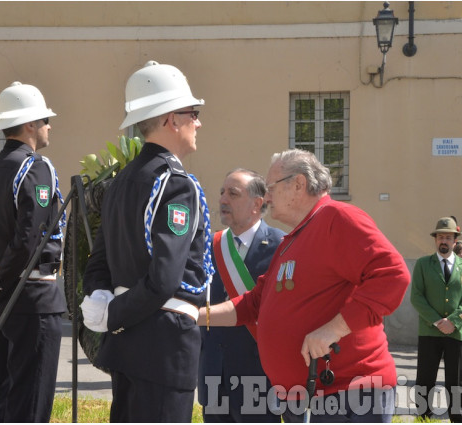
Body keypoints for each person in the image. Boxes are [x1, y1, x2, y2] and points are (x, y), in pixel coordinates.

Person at [198, 149, 410, 423]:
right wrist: (196, 316)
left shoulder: (337, 217)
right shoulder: (293, 239)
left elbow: (393, 275)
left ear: (298, 184)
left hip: (349, 394)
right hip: (315, 397)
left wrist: (333, 330)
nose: (268, 197)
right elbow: (253, 304)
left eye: (271, 188)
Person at [80, 61, 213, 423]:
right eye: (193, 113)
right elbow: (165, 278)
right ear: (171, 119)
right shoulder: (176, 183)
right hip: (165, 341)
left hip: (129, 343)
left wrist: (101, 301)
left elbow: (98, 263)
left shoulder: (122, 180)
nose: (198, 122)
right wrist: (113, 316)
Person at [0, 82, 66, 422]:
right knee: (29, 403)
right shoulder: (37, 167)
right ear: (31, 124)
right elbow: (29, 241)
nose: (50, 126)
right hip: (31, 296)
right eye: (46, 119)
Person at [198, 168, 285, 422]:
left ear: (256, 204)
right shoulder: (209, 246)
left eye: (233, 194)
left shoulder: (281, 246)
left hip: (259, 376)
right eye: (222, 192)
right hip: (214, 373)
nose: (223, 199)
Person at [410, 217, 462, 423]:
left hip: (457, 332)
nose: (444, 241)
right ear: (435, 239)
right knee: (425, 377)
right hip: (430, 331)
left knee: (456, 378)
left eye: (448, 237)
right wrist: (438, 321)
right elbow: (417, 297)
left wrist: (454, 321)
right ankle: (423, 416)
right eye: (440, 236)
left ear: (455, 241)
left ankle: (457, 416)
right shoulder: (423, 264)